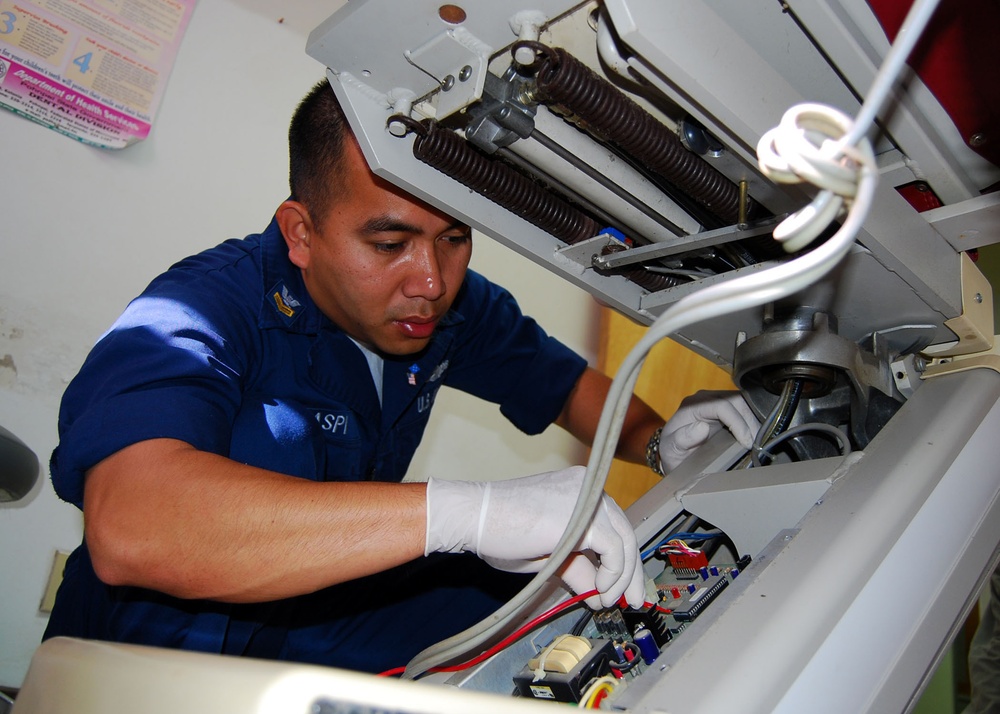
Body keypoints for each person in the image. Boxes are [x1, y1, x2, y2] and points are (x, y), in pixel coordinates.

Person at [43, 79, 757, 673]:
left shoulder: (453, 310)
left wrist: (661, 441)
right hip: (153, 652)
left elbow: (569, 390)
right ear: (300, 233)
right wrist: (464, 512)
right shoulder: (206, 306)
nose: (431, 282)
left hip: (327, 613)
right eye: (390, 243)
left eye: (455, 239)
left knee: (548, 610)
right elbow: (132, 524)